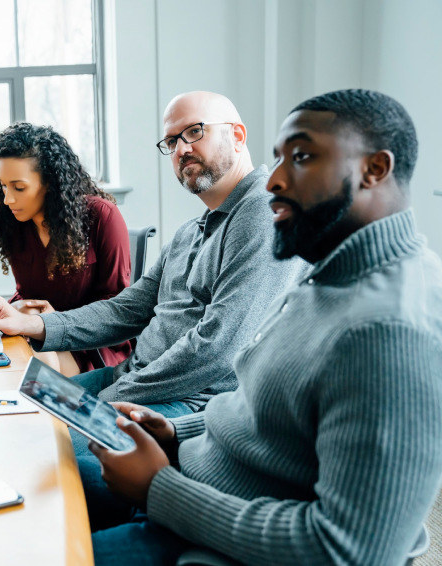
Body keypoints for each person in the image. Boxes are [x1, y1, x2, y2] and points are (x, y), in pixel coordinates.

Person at [82, 89, 442, 565]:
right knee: (36, 471)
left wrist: (159, 490)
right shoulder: (329, 273)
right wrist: (176, 431)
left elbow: (349, 551)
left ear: (375, 169)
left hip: (208, 533)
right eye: (277, 159)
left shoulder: (392, 329)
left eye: (302, 157)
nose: (272, 180)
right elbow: (259, 414)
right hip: (189, 479)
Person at [0, 92, 306, 416]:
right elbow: (125, 310)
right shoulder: (191, 231)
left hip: (183, 401)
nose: (181, 149)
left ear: (238, 136)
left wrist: (107, 400)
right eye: (171, 141)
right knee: (17, 413)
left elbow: (217, 350)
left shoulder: (263, 214)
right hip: (134, 379)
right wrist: (30, 323)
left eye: (193, 131)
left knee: (47, 449)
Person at [0, 122, 132, 374]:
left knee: (35, 371)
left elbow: (116, 308)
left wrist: (54, 321)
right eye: (3, 186)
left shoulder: (102, 217)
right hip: (26, 328)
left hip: (88, 343)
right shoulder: (4, 214)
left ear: (51, 182)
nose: (8, 198)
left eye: (19, 187)